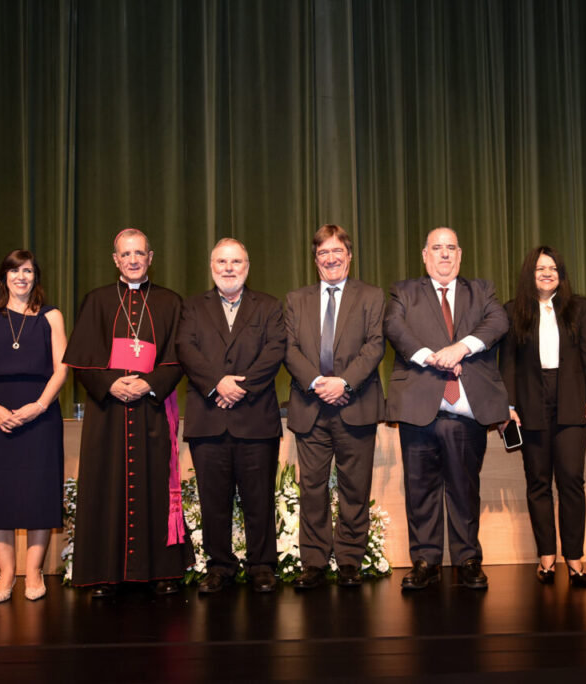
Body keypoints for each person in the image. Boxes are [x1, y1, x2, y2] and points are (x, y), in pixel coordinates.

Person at [62, 229, 192, 597]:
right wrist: (110, 384)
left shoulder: (170, 302)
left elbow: (180, 357)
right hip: (108, 413)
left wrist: (148, 383)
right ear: (115, 260)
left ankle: (162, 571)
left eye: (139, 253)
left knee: (155, 484)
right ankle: (106, 574)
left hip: (151, 408)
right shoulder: (97, 301)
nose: (133, 260)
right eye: (126, 254)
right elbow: (82, 360)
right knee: (106, 486)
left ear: (151, 257)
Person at [384, 227, 509, 591]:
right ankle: (425, 561)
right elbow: (394, 327)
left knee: (464, 489)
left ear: (460, 254)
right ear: (425, 255)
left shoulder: (482, 290)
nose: (444, 254)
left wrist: (461, 348)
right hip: (418, 408)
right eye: (437, 248)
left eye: (450, 248)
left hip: (467, 412)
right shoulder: (404, 292)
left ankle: (468, 559)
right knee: (419, 490)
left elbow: (498, 322)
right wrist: (431, 357)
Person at [177, 238, 286, 594]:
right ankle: (219, 566)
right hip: (208, 419)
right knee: (213, 502)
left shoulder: (269, 306)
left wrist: (241, 387)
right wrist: (217, 384)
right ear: (212, 266)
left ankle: (262, 564)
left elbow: (275, 350)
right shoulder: (192, 307)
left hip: (255, 419)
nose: (228, 268)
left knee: (259, 499)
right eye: (222, 262)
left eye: (236, 261)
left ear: (247, 266)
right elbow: (185, 349)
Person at [284, 225, 386, 590]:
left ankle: (349, 561)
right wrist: (317, 383)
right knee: (312, 489)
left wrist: (343, 382)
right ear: (315, 260)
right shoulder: (295, 299)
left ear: (349, 256)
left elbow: (375, 346)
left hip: (355, 404)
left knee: (354, 489)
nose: (330, 258)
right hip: (310, 407)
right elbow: (289, 348)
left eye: (337, 251)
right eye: (323, 253)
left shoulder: (371, 296)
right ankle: (313, 562)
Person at [499, 246, 586, 588]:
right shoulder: (514, 311)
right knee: (538, 482)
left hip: (571, 400)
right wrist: (508, 405)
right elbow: (508, 363)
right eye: (540, 268)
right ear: (529, 274)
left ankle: (574, 557)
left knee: (571, 479)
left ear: (561, 274)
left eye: (553, 268)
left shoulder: (580, 308)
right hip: (530, 403)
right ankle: (546, 556)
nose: (547, 273)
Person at [0, 249, 68, 603]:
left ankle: (33, 571)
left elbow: (62, 367)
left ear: (35, 277)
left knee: (39, 491)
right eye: (14, 271)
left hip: (40, 414)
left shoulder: (51, 316)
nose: (21, 277)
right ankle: (6, 574)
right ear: (4, 278)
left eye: (27, 271)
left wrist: (39, 406)